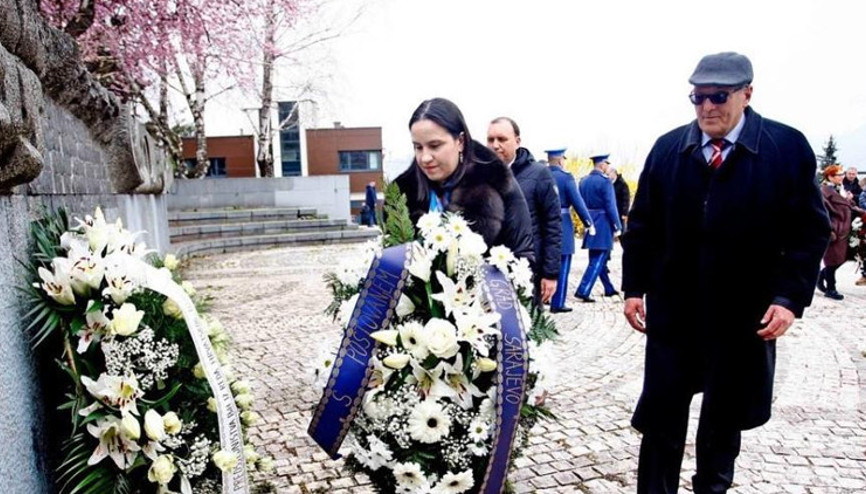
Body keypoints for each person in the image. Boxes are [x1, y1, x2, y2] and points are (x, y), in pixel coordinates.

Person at [622, 52, 830, 494]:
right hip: (675, 314)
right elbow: (642, 225)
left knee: (723, 420)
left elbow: (810, 232)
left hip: (741, 316)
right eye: (698, 98)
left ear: (746, 94)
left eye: (718, 96)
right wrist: (634, 286)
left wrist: (789, 299)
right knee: (661, 419)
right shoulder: (668, 149)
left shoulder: (786, 148)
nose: (707, 107)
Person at [394, 98, 534, 263]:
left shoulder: (497, 181)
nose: (425, 158)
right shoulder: (400, 197)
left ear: (460, 141)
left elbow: (523, 256)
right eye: (418, 147)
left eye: (435, 146)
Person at [487, 117, 562, 307]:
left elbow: (552, 225)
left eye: (502, 139)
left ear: (517, 141)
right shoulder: (481, 175)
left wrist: (550, 274)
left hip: (527, 272)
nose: (495, 145)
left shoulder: (539, 174)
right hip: (490, 272)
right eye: (490, 139)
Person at [546, 149, 593, 312]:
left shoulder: (540, 174)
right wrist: (588, 222)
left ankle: (543, 298)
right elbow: (577, 202)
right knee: (563, 263)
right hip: (562, 223)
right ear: (560, 160)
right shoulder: (566, 177)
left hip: (542, 223)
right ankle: (557, 303)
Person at [574, 154, 622, 302]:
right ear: (602, 164)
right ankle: (583, 290)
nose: (607, 167)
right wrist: (617, 225)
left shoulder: (584, 181)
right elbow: (611, 206)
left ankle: (608, 287)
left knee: (596, 258)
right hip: (603, 222)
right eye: (606, 164)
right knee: (599, 257)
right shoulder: (605, 182)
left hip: (590, 220)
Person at [818, 164, 865, 299]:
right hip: (835, 229)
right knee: (832, 260)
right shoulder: (824, 191)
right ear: (830, 177)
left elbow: (848, 206)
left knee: (842, 258)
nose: (842, 177)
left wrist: (853, 203)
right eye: (839, 175)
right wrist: (830, 229)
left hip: (845, 229)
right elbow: (823, 212)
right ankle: (830, 289)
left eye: (842, 174)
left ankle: (821, 277)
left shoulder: (840, 189)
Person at [607, 166, 631, 230]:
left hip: (620, 213)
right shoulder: (609, 184)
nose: (607, 176)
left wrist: (624, 213)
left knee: (621, 231)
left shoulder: (622, 184)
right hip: (612, 212)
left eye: (608, 174)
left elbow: (626, 199)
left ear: (613, 173)